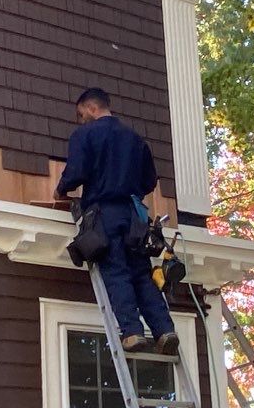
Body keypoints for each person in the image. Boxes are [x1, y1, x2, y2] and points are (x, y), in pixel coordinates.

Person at [55, 88, 179, 355]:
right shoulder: (134, 139)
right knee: (141, 274)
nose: (80, 120)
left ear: (91, 108)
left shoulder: (85, 135)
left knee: (116, 272)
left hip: (104, 214)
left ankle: (132, 332)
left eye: (80, 114)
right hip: (135, 216)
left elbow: (76, 172)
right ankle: (164, 330)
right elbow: (149, 181)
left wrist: (61, 189)